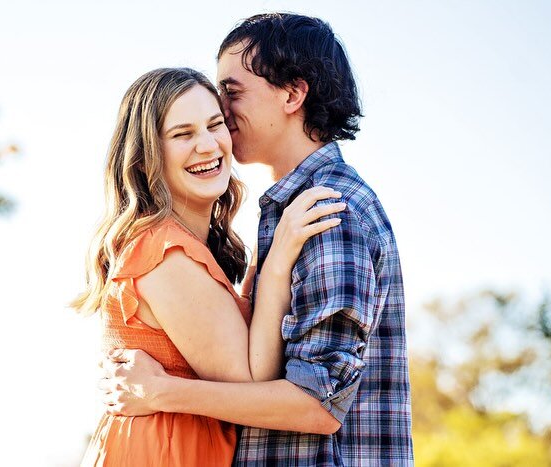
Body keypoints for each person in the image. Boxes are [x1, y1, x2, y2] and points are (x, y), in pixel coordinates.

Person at [101, 13, 414, 466]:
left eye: (230, 94)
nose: (222, 120)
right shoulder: (287, 215)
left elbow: (317, 400)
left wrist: (163, 392)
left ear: (291, 94)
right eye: (184, 132)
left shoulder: (330, 213)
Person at [72, 67, 346, 466]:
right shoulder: (164, 252)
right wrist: (275, 266)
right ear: (148, 155)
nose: (207, 145)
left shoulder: (187, 247)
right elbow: (253, 381)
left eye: (215, 125)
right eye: (183, 134)